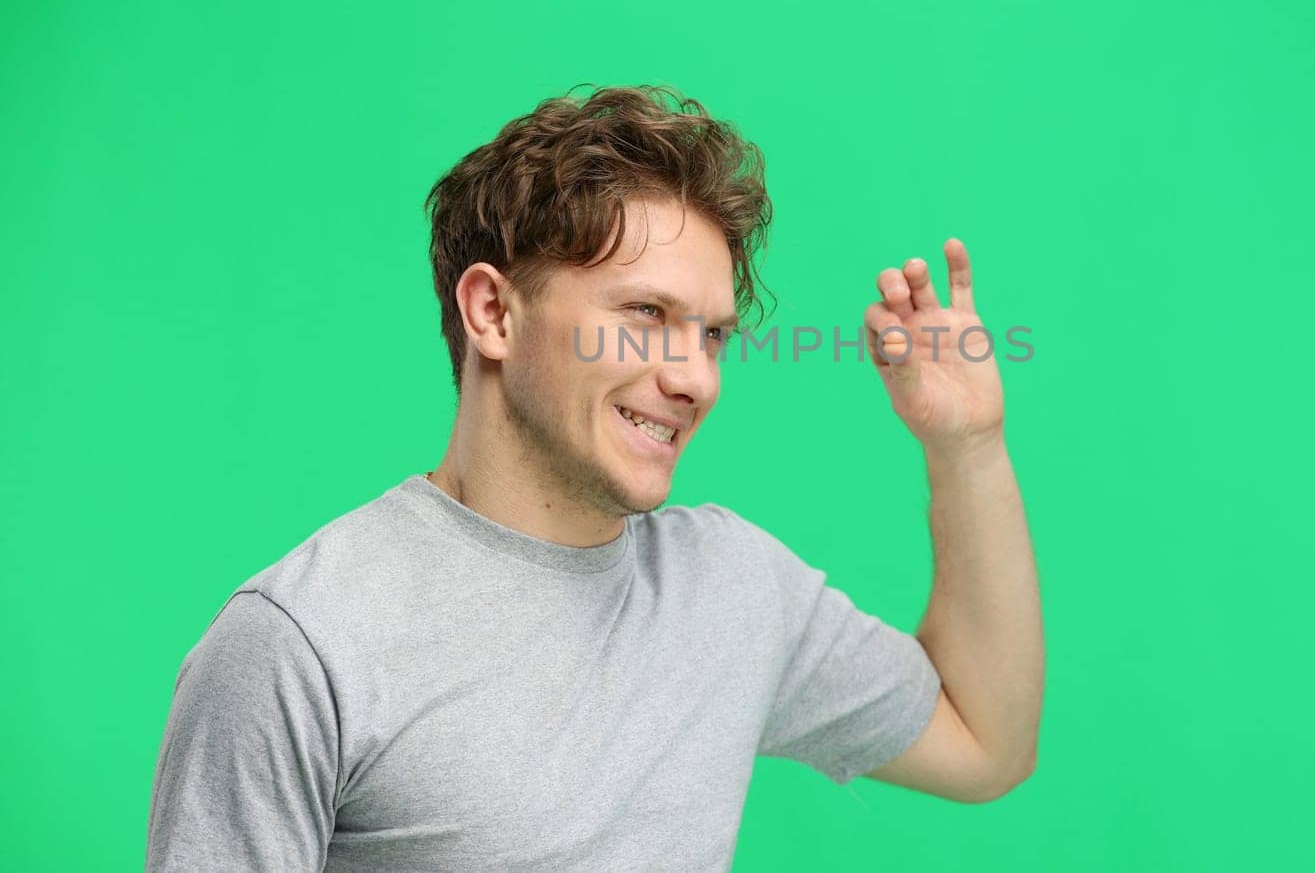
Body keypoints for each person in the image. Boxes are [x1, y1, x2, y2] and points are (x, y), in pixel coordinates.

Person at [145, 84, 1043, 870]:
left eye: (712, 333)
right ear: (494, 311)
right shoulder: (301, 643)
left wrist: (968, 446)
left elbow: (984, 738)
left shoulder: (732, 588)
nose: (694, 376)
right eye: (646, 314)